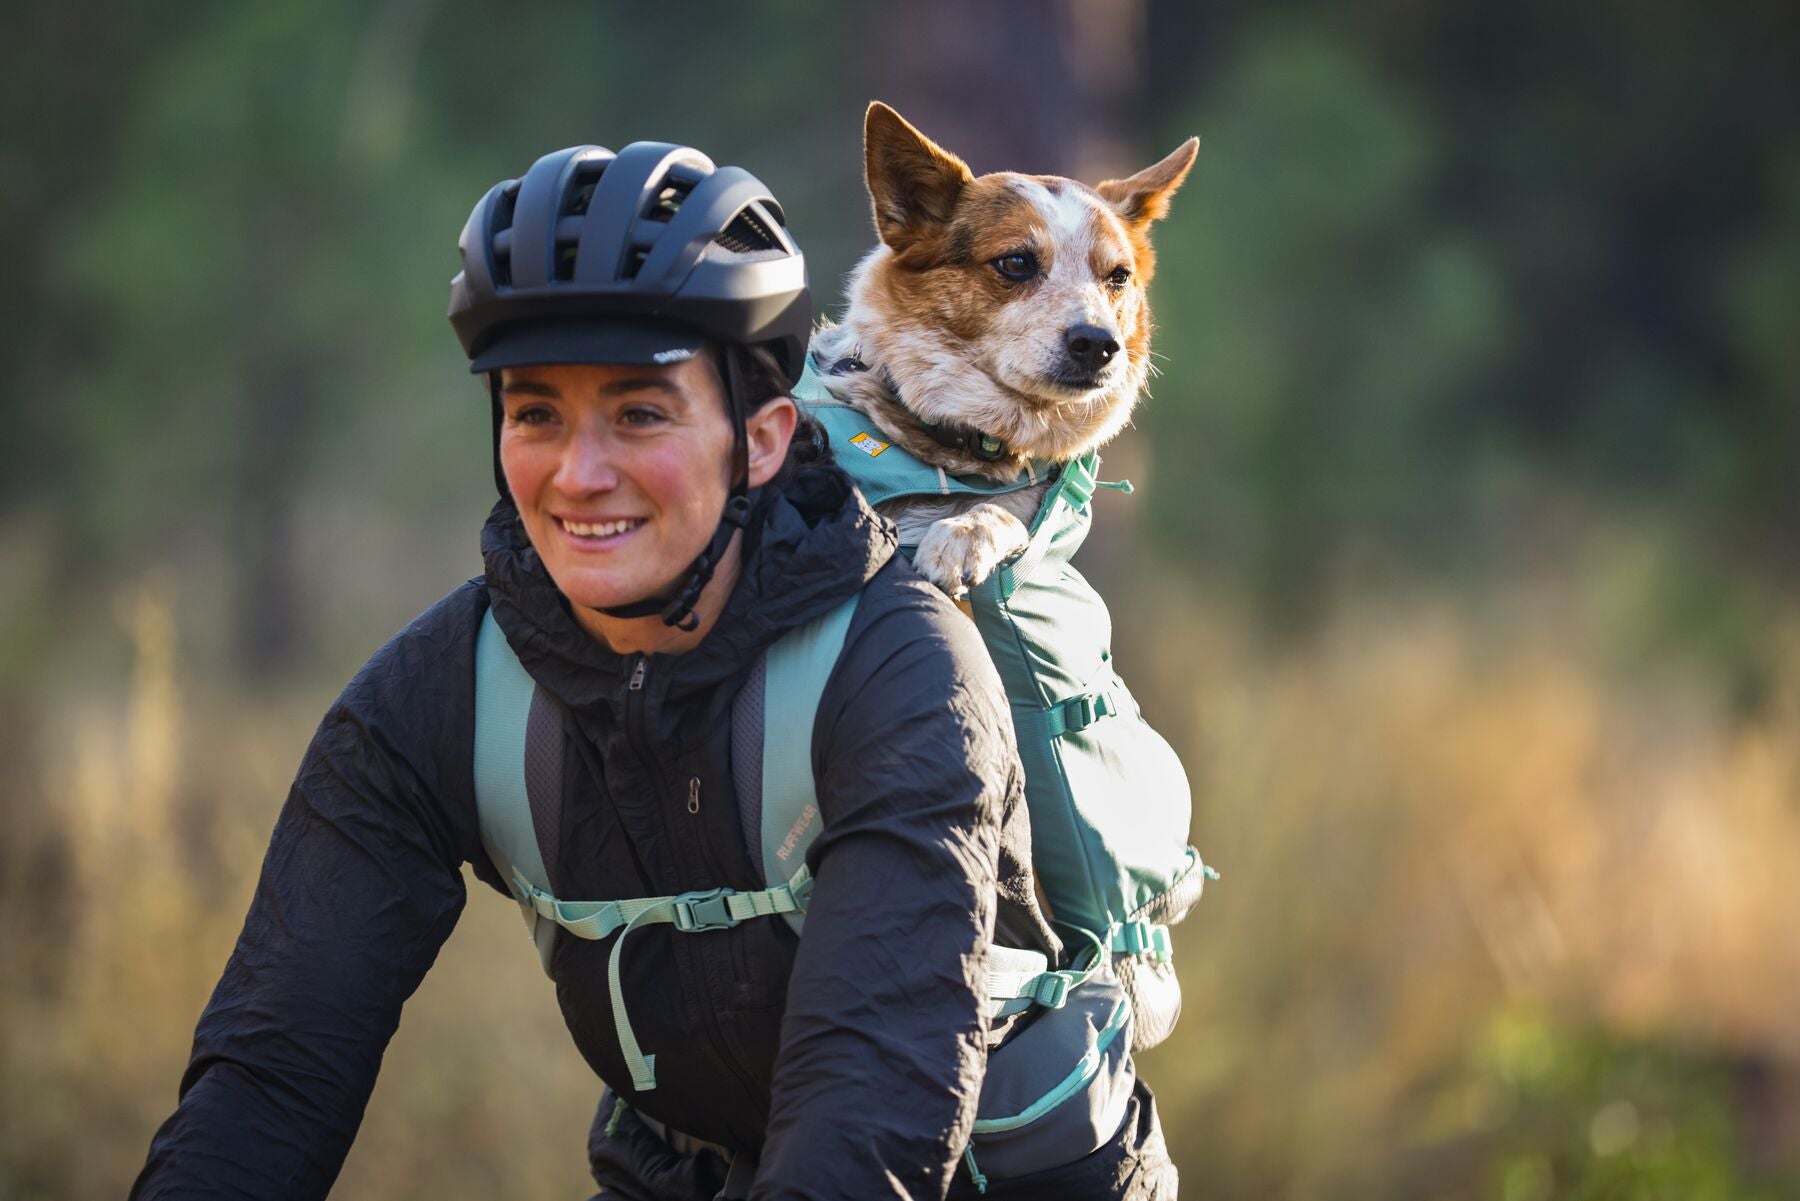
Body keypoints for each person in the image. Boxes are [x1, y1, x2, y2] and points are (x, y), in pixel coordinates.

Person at [130, 141, 1177, 1200]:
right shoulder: (443, 692)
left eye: (639, 412)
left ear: (765, 440)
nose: (581, 475)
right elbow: (272, 1073)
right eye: (536, 411)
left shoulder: (905, 673)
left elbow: (871, 1109)